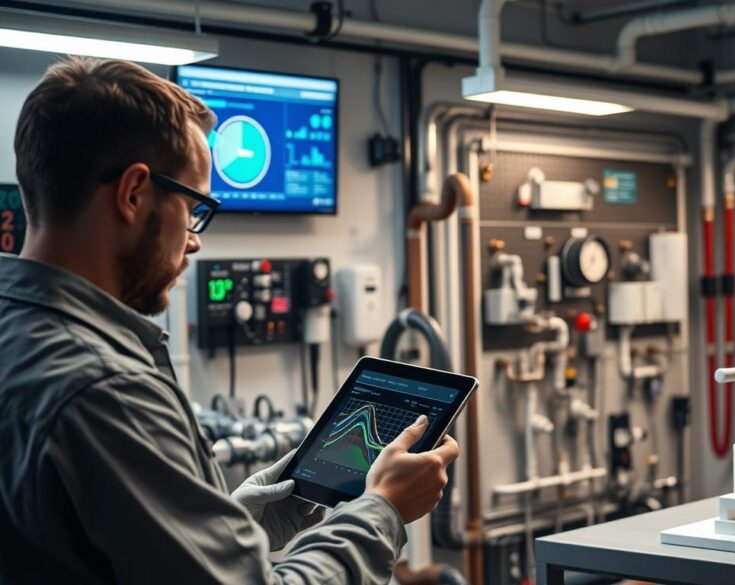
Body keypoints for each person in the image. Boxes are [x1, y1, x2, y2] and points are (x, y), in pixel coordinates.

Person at [0, 56, 459, 584]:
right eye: (194, 208)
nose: (194, 240)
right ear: (133, 194)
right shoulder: (107, 388)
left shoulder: (22, 335)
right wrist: (383, 510)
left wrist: (234, 521)